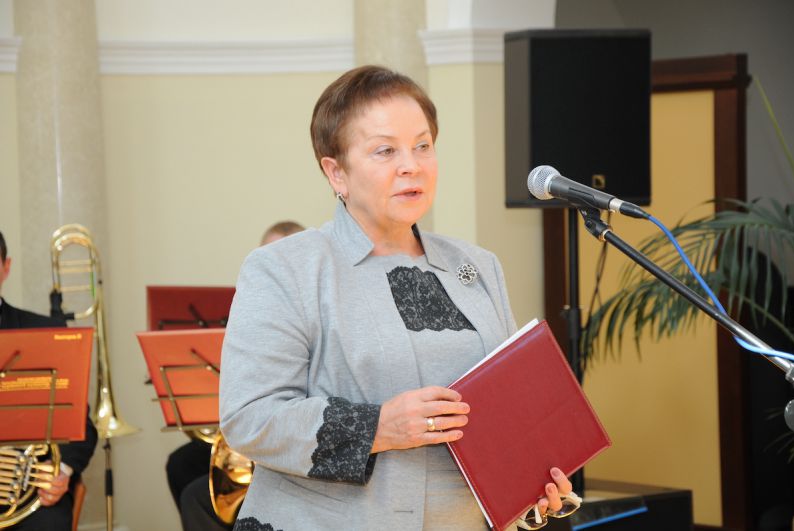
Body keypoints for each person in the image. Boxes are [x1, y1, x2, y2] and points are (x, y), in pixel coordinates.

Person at [219, 65, 575, 531]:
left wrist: (529, 491)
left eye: (422, 146)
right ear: (336, 172)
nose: (412, 165)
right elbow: (250, 419)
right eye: (385, 150)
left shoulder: (478, 266)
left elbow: (505, 414)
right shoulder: (286, 268)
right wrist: (378, 427)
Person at [166, 221, 305, 531]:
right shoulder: (253, 308)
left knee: (196, 497)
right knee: (181, 463)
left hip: (288, 439)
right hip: (249, 435)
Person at [0, 230, 98, 530]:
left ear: (6, 267)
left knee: (49, 523)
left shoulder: (46, 331)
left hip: (27, 493)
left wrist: (62, 472)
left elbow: (81, 426)